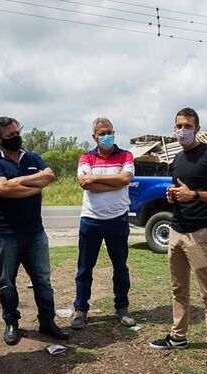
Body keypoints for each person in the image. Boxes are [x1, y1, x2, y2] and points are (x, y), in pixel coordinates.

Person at [149, 108, 207, 374]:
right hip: (176, 231)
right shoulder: (177, 158)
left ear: (197, 128)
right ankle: (178, 336)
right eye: (178, 125)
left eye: (187, 125)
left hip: (201, 234)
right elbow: (179, 191)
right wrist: (173, 196)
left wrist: (194, 193)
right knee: (178, 289)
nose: (182, 130)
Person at [0, 117, 69, 345]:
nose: (16, 137)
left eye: (17, 132)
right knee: (7, 282)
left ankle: (47, 322)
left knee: (42, 280)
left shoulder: (31, 157)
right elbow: (1, 189)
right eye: (10, 135)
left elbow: (50, 176)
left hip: (35, 232)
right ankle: (11, 322)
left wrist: (17, 183)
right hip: (5, 233)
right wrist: (34, 185)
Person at [70, 117, 136, 330]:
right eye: (101, 133)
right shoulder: (85, 157)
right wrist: (114, 181)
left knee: (120, 267)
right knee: (84, 269)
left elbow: (125, 179)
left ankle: (122, 307)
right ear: (94, 136)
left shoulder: (126, 155)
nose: (105, 136)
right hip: (91, 220)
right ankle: (81, 310)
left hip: (118, 219)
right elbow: (86, 185)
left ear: (113, 133)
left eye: (109, 132)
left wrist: (96, 179)